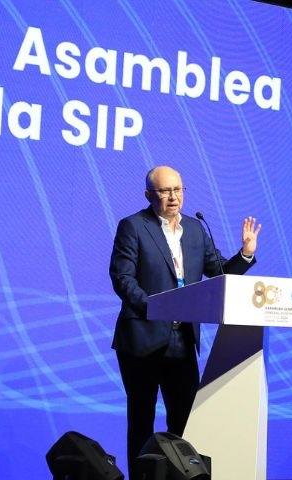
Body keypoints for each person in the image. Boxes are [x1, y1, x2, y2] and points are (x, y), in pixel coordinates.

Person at [109, 166, 262, 472]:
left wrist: (244, 254)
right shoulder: (134, 226)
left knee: (184, 420)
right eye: (165, 191)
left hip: (182, 341)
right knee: (142, 419)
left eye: (178, 189)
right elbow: (122, 279)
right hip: (142, 339)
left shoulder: (195, 229)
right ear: (149, 195)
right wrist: (156, 308)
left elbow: (219, 274)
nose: (173, 197)